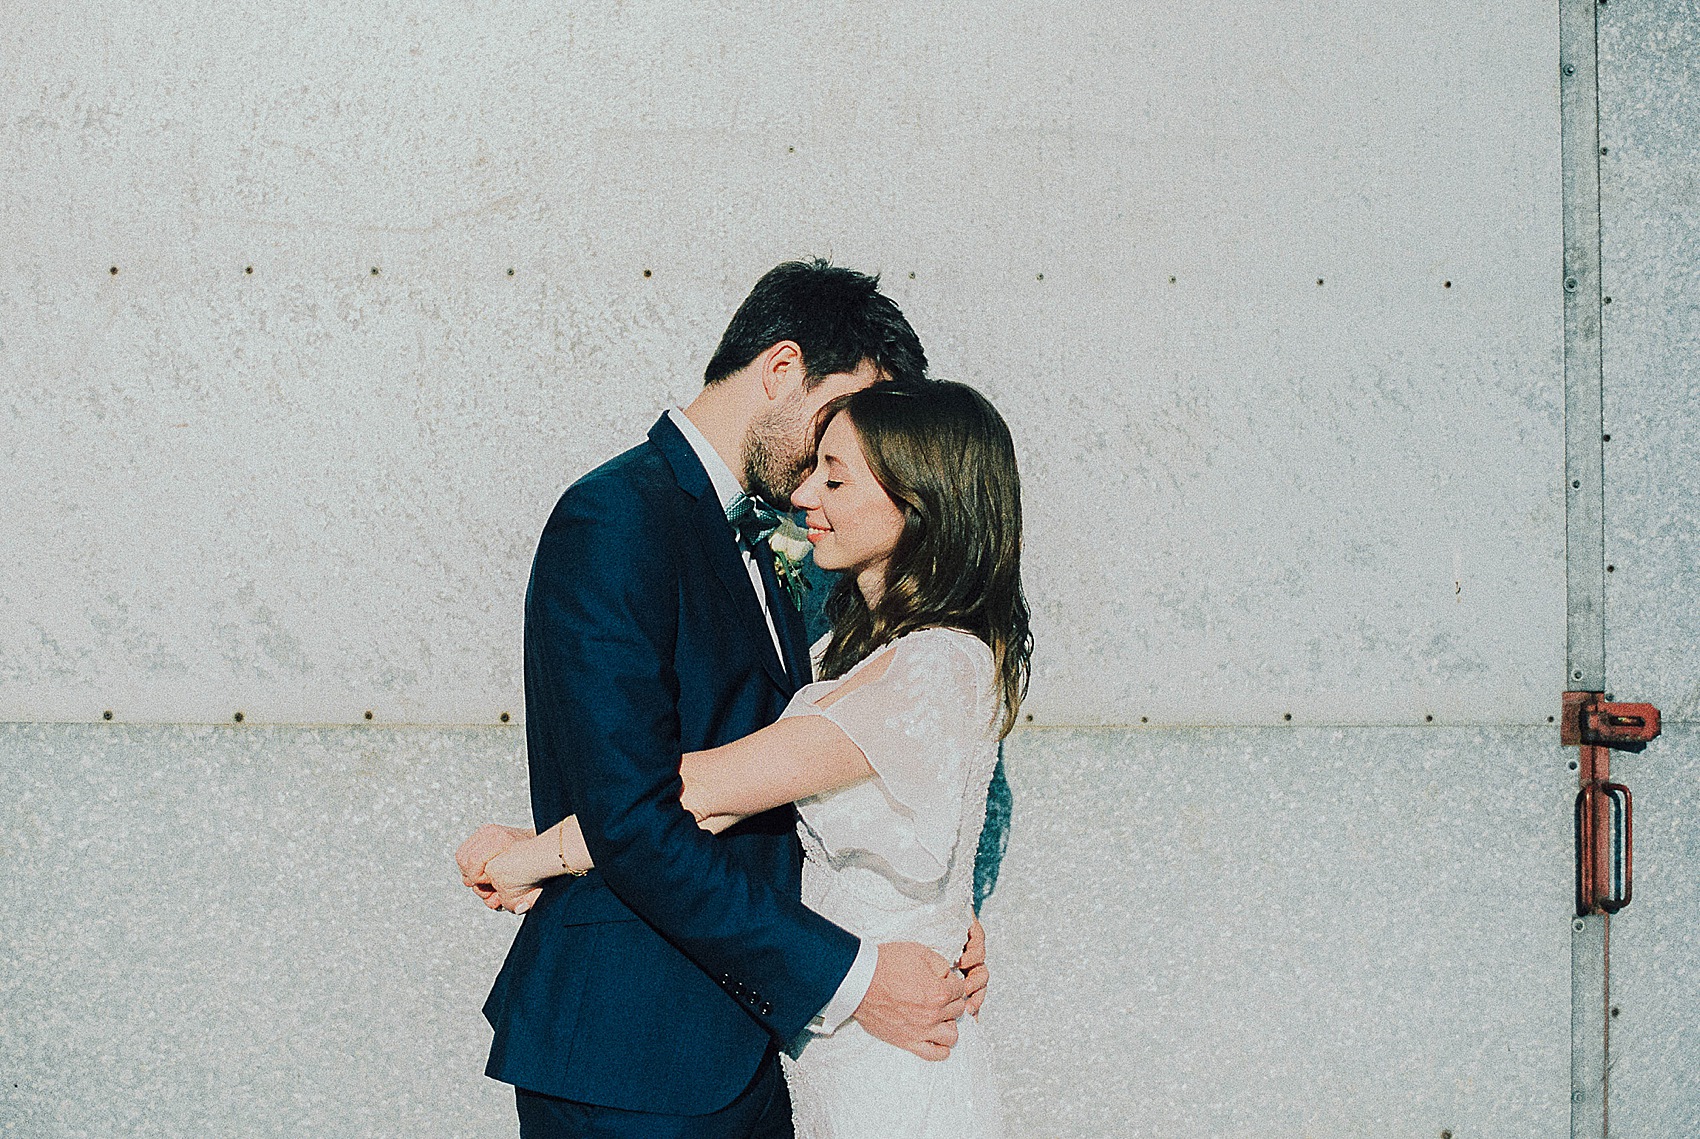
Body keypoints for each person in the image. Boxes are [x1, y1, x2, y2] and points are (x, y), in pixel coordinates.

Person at [456, 261, 991, 1139]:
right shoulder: (615, 518)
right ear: (781, 370)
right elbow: (638, 815)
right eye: (837, 422)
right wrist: (855, 976)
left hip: (749, 1042)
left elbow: (763, 784)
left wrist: (935, 919)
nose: (837, 463)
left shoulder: (768, 541)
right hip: (638, 1053)